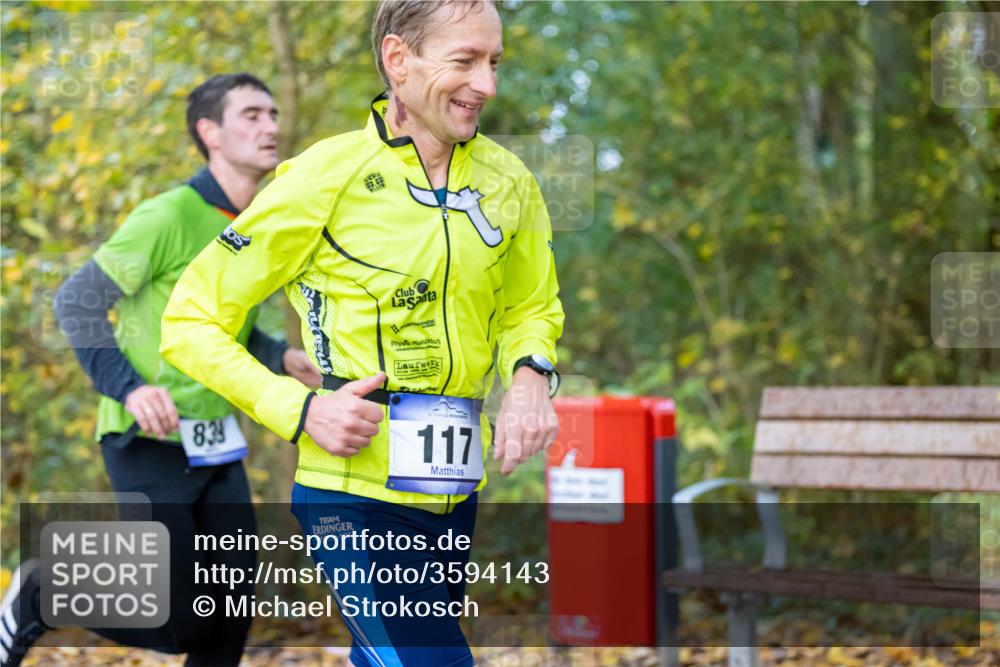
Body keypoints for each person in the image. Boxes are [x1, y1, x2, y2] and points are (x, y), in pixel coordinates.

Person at [160, 2, 564, 665]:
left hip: (451, 490)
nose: (486, 85)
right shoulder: (323, 177)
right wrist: (299, 410)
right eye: (463, 61)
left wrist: (529, 375)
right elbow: (189, 321)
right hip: (352, 492)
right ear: (398, 61)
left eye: (493, 63)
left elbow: (532, 304)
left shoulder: (509, 181)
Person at [0, 73, 321, 667]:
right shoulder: (168, 215)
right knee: (174, 618)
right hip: (147, 436)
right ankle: (43, 590)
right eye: (251, 115)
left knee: (225, 616)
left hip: (215, 441)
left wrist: (278, 354)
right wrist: (130, 386)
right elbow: (77, 300)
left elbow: (223, 321)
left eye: (273, 114)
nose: (271, 126)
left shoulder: (256, 224)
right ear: (210, 133)